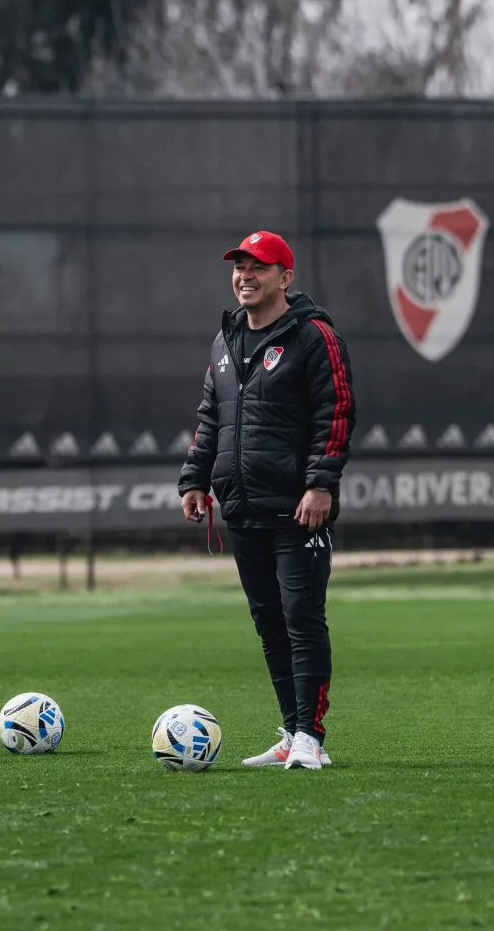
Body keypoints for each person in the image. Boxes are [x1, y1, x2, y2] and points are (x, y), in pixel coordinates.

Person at [178, 230, 355, 770]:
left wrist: (320, 483)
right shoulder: (225, 339)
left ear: (285, 276)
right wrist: (195, 479)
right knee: (270, 623)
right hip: (243, 507)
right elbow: (212, 418)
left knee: (302, 618)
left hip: (297, 507)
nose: (245, 276)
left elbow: (337, 411)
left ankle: (311, 738)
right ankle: (290, 731)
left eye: (258, 267)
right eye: (238, 267)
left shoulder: (313, 335)